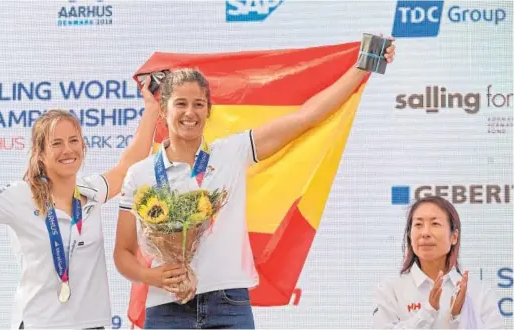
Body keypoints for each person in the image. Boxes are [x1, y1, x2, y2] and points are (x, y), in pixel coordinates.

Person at [113, 38, 397, 329]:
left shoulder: (233, 152)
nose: (190, 113)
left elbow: (305, 118)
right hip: (166, 308)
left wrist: (362, 68)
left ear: (209, 110)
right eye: (180, 104)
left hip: (229, 305)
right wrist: (153, 277)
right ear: (164, 111)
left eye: (199, 104)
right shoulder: (141, 174)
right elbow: (122, 253)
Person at [0, 78, 161, 329]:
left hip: (91, 325)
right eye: (56, 143)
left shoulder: (92, 190)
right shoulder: (19, 196)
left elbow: (130, 163)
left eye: (74, 141)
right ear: (40, 153)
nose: (68, 150)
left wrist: (151, 108)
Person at [371, 196, 506, 329]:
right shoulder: (390, 290)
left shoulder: (478, 292)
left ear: (454, 237)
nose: (425, 233)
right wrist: (428, 312)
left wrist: (458, 317)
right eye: (418, 224)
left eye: (435, 224)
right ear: (409, 235)